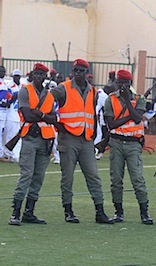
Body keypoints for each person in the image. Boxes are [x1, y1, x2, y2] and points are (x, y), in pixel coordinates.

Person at [50, 58, 114, 224]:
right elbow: (47, 102)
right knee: (68, 177)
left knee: (93, 175)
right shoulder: (63, 88)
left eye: (81, 70)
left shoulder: (92, 91)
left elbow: (92, 112)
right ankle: (68, 211)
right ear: (72, 72)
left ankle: (100, 211)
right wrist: (56, 123)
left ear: (87, 72)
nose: (78, 73)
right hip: (68, 138)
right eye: (76, 70)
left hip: (86, 139)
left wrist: (93, 131)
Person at [8, 63, 57, 226]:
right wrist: (44, 116)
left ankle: (29, 212)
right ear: (32, 75)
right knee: (26, 174)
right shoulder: (25, 90)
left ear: (45, 77)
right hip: (29, 137)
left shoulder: (49, 95)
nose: (38, 76)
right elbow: (27, 116)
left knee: (38, 177)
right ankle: (15, 212)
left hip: (45, 140)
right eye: (36, 74)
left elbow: (53, 118)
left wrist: (40, 114)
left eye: (41, 74)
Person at [103, 69, 153, 224]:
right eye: (120, 82)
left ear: (130, 83)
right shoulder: (110, 99)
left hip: (133, 144)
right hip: (116, 142)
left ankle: (144, 212)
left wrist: (126, 102)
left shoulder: (139, 99)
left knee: (137, 178)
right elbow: (111, 124)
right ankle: (118, 212)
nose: (122, 85)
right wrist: (130, 115)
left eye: (125, 82)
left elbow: (138, 119)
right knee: (116, 179)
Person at [4, 69, 23, 163]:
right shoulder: (9, 86)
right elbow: (8, 101)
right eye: (15, 76)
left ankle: (15, 154)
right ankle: (10, 155)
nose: (17, 78)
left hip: (19, 115)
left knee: (17, 135)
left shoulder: (22, 86)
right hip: (11, 114)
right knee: (10, 135)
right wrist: (14, 96)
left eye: (18, 76)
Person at [0, 65, 11, 160]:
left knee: (2, 133)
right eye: (1, 71)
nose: (3, 73)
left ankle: (2, 152)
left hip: (4, 112)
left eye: (4, 71)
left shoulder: (4, 83)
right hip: (1, 111)